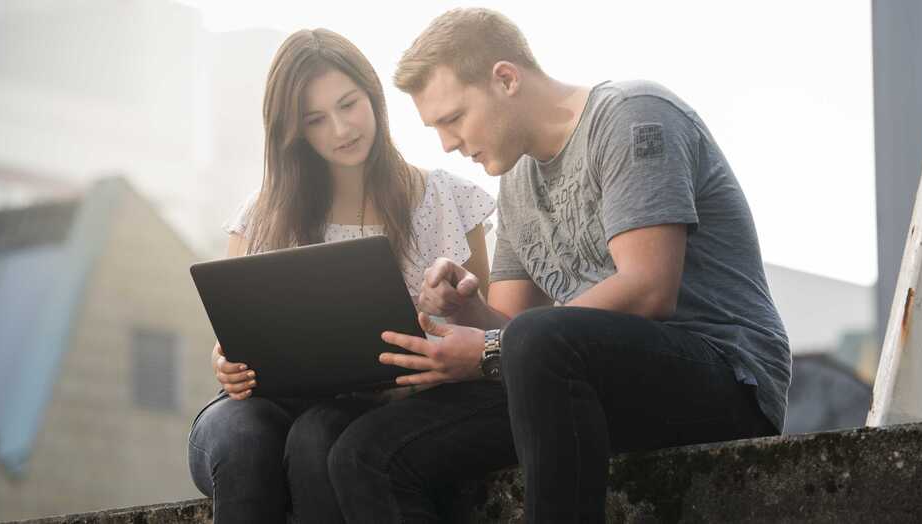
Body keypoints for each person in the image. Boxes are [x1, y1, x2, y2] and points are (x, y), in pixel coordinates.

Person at [328, 8, 792, 521]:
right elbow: (512, 334)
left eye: (453, 118)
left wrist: (490, 346)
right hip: (580, 385)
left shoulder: (631, 114)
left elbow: (648, 287)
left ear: (505, 79)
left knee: (535, 340)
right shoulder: (515, 182)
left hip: (724, 376)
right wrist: (468, 309)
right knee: (367, 452)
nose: (447, 143)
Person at [185, 27, 495, 523]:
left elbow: (484, 336)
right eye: (315, 119)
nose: (341, 129)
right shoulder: (261, 215)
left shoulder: (449, 201)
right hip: (265, 409)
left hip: (390, 411)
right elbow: (235, 334)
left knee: (319, 435)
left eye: (349, 104)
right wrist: (227, 364)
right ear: (294, 131)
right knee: (242, 438)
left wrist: (455, 308)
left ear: (373, 95)